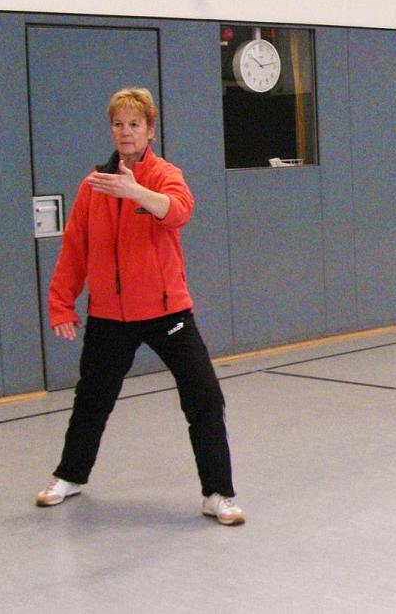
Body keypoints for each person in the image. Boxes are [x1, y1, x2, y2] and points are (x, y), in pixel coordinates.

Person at [34, 88, 244, 526]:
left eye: (134, 124)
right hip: (110, 316)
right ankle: (69, 476)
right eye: (118, 124)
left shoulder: (166, 174)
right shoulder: (93, 185)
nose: (125, 132)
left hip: (168, 313)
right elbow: (75, 248)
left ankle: (218, 494)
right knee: (92, 399)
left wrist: (136, 192)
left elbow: (179, 211)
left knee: (204, 397)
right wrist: (60, 305)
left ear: (150, 130)